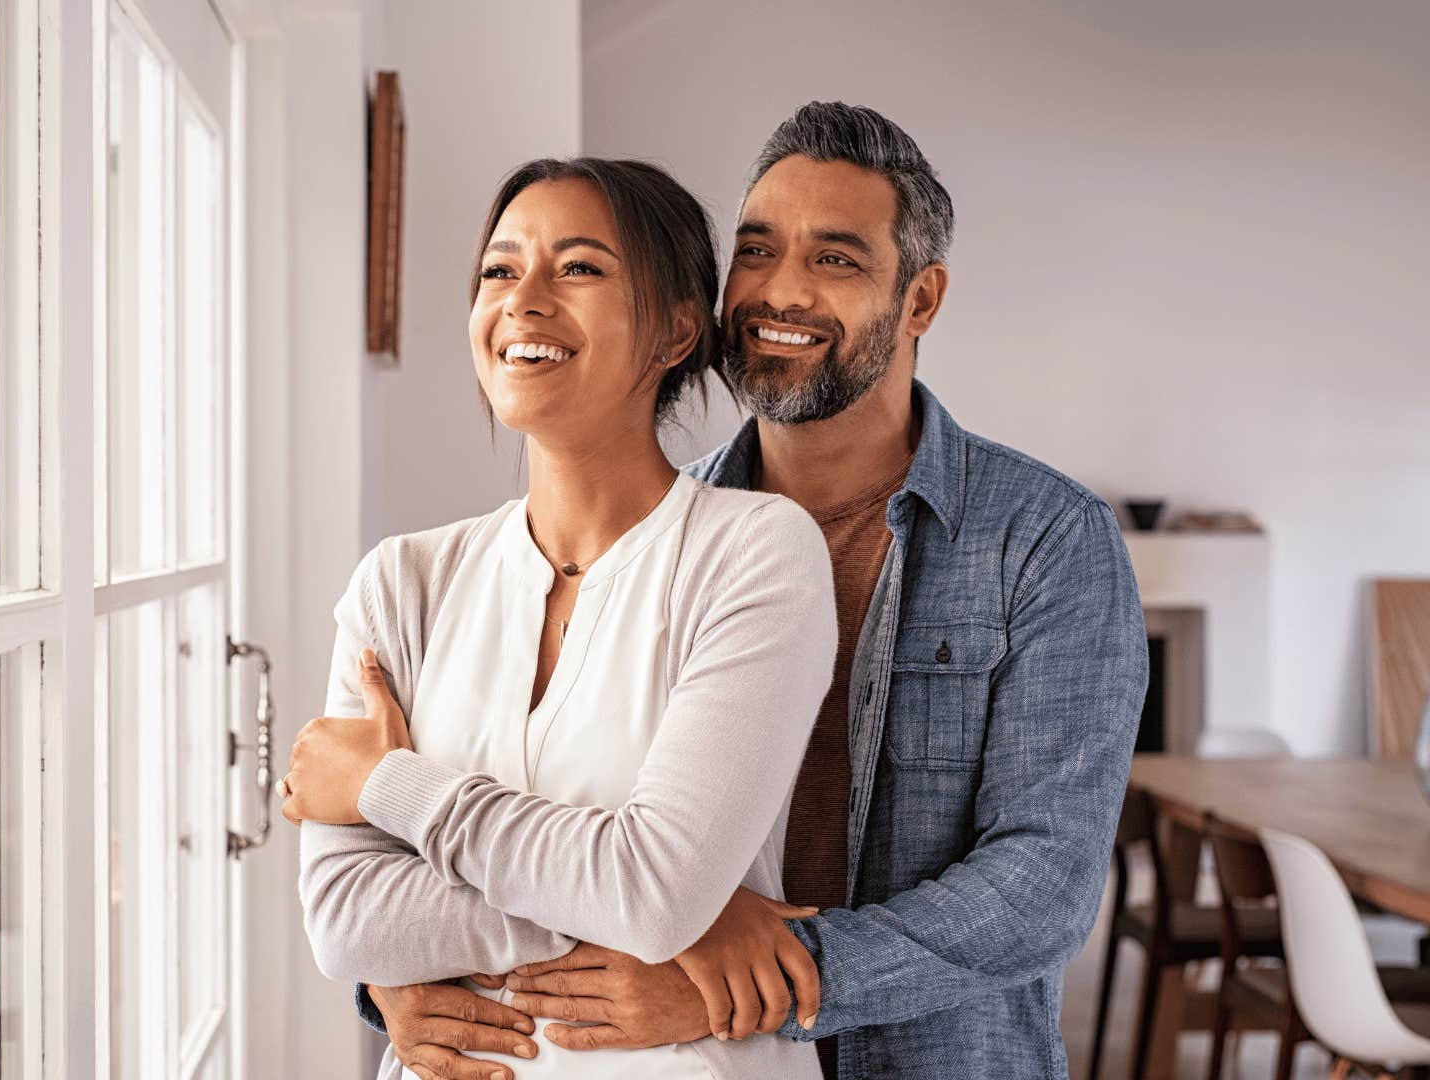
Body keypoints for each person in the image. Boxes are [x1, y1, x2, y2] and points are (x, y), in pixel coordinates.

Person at [361, 102, 1148, 1080]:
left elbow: (1044, 881)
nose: (781, 292)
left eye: (836, 260)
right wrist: (394, 974)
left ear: (921, 300)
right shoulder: (644, 538)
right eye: (757, 250)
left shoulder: (1044, 540)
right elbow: (545, 813)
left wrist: (777, 975)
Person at [282, 157, 838, 1079]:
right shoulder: (401, 583)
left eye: (578, 268)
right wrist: (660, 903)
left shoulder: (755, 554)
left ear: (674, 330)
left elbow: (654, 889)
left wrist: (387, 785)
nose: (524, 300)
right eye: (499, 271)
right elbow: (344, 920)